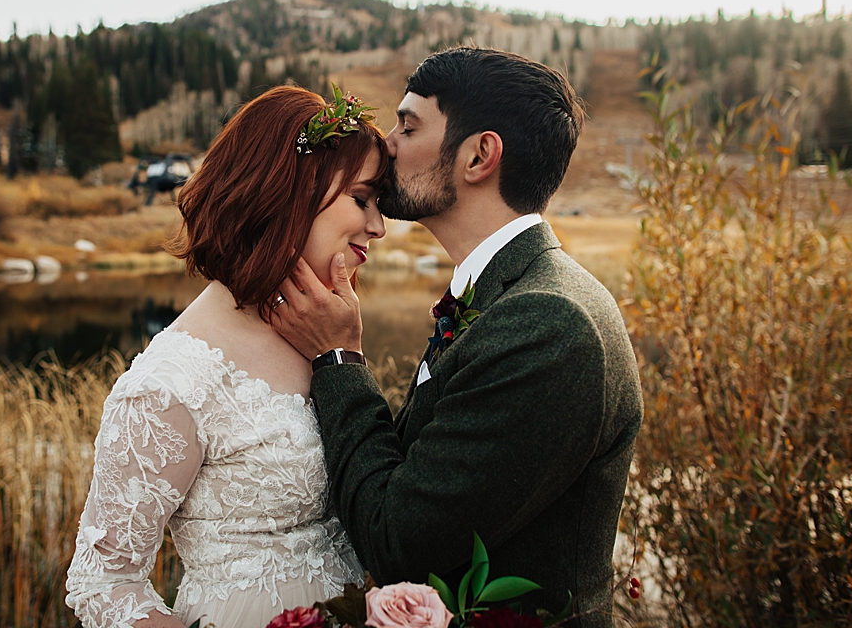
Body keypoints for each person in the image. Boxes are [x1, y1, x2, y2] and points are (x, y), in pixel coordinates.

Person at [270, 47, 642, 628]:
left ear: (478, 155)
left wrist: (338, 357)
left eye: (409, 125)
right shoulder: (508, 294)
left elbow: (401, 542)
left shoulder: (548, 324)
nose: (386, 142)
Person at [65, 85, 387, 628]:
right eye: (362, 198)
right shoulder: (173, 381)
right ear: (291, 188)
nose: (379, 226)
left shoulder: (326, 330)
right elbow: (104, 583)